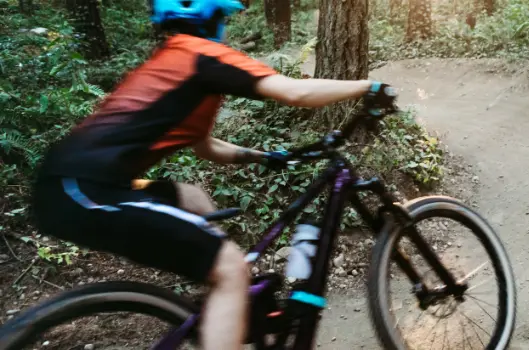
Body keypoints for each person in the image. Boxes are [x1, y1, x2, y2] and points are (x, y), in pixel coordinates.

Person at [30, 0, 395, 349]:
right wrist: (368, 86)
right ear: (214, 15)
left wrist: (267, 157)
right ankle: (228, 282)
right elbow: (295, 92)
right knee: (232, 268)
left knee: (191, 197)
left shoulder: (175, 62)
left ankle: (224, 300)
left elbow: (205, 146)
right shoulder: (200, 54)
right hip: (83, 187)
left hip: (76, 184)